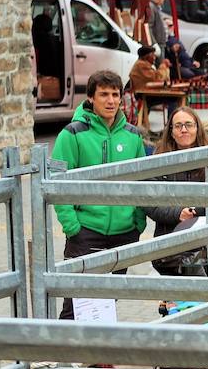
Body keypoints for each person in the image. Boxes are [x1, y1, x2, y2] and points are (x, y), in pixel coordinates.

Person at [52, 70, 147, 322]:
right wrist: (72, 226)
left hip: (124, 231)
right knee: (77, 302)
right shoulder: (71, 134)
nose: (111, 100)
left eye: (115, 94)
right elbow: (57, 184)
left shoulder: (133, 136)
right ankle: (63, 356)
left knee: (108, 301)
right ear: (91, 99)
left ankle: (98, 360)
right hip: (86, 231)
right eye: (103, 94)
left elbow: (142, 181)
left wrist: (138, 221)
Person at [144, 106, 208, 277]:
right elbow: (150, 203)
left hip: (205, 239)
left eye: (188, 125)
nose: (184, 130)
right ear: (171, 131)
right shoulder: (159, 158)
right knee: (182, 297)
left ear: (197, 127)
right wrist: (177, 213)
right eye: (178, 126)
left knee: (201, 294)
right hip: (171, 241)